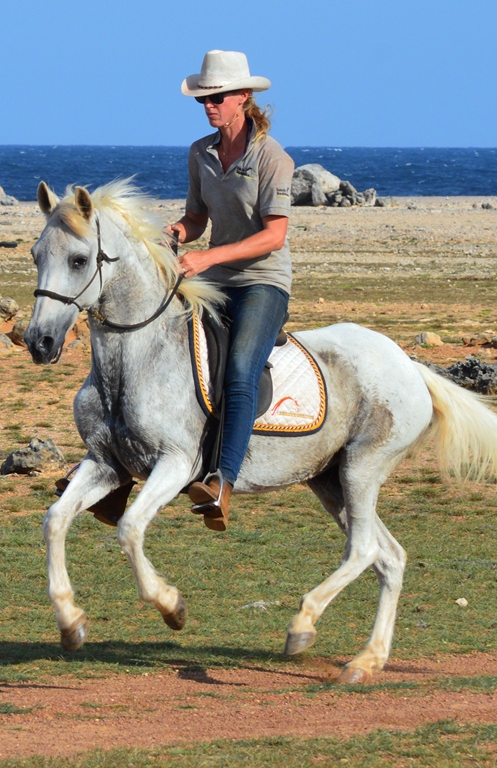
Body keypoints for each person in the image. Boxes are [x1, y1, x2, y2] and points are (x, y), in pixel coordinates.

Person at [166, 50, 294, 532]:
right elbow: (198, 219)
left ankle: (223, 482)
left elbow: (273, 236)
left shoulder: (273, 157)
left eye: (217, 97)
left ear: (244, 97)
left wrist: (208, 258)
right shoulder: (201, 152)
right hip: (216, 279)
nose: (209, 105)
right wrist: (176, 234)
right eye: (204, 98)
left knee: (239, 371)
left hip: (262, 282)